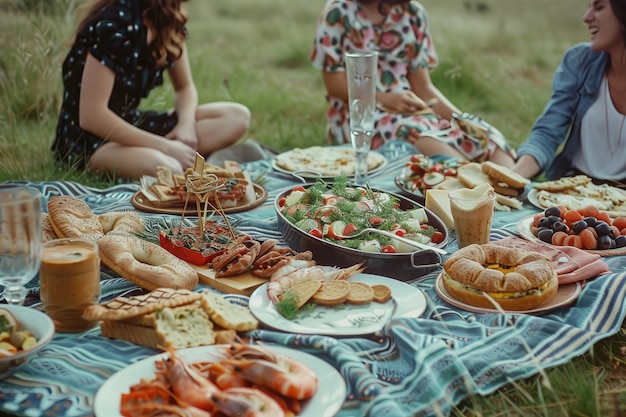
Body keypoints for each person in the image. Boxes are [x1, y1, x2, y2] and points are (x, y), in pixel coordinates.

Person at [52, 0, 251, 180]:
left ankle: (163, 153)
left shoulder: (169, 19)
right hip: (91, 142)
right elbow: (91, 117)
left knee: (237, 117)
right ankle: (161, 155)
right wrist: (165, 147)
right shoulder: (115, 24)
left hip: (131, 124)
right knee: (169, 168)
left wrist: (186, 124)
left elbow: (185, 88)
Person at [310, 0, 516, 166]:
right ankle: (475, 187)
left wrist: (461, 120)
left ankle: (512, 188)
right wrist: (384, 99)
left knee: (485, 136)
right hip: (360, 115)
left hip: (411, 109)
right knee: (420, 135)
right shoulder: (338, 12)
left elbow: (423, 87)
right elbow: (334, 85)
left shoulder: (414, 15)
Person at [513, 0, 626, 184]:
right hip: (573, 190)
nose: (586, 17)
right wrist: (513, 176)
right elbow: (548, 133)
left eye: (599, 7)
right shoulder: (580, 61)